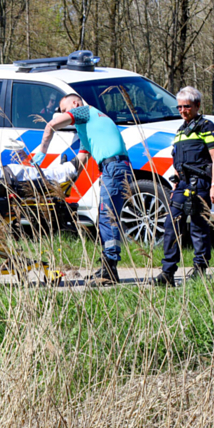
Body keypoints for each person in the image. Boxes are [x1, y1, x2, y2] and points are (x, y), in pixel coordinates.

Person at [34, 94, 132, 285]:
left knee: (107, 216)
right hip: (115, 168)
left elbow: (51, 125)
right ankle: (107, 267)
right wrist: (65, 182)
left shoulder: (85, 111)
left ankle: (110, 269)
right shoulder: (89, 126)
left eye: (65, 109)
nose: (65, 114)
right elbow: (82, 159)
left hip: (114, 168)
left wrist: (42, 151)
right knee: (105, 216)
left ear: (75, 104)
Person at [152, 86, 214, 286]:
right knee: (171, 225)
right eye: (180, 107)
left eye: (187, 107)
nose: (183, 110)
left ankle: (200, 270)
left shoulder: (206, 126)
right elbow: (178, 161)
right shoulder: (181, 130)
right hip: (182, 184)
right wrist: (175, 184)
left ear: (197, 105)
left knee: (199, 227)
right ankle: (167, 273)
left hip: (200, 184)